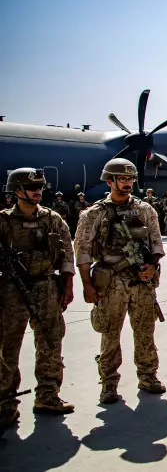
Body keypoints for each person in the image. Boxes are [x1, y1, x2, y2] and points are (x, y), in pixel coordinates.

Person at [75, 159, 166, 403]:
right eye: (122, 179)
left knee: (145, 331)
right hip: (111, 281)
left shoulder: (145, 210)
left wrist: (152, 266)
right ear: (110, 181)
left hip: (142, 281)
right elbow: (82, 252)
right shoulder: (94, 214)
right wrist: (87, 284)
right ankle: (108, 383)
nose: (127, 183)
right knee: (110, 333)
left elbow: (156, 243)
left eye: (130, 179)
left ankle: (148, 376)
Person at [0, 168, 76, 425]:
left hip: (46, 286)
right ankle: (5, 403)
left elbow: (67, 252)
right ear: (17, 191)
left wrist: (67, 283)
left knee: (50, 342)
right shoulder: (3, 221)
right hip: (12, 289)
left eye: (40, 187)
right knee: (7, 346)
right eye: (32, 187)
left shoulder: (52, 219)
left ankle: (48, 395)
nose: (37, 191)